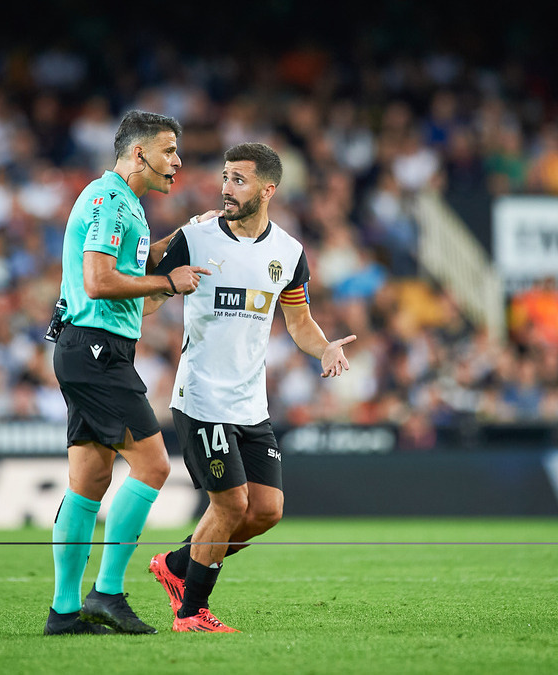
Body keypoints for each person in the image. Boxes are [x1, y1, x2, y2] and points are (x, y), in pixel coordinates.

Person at [147, 142, 356, 633]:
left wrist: (325, 347)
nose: (225, 188)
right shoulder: (195, 238)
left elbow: (300, 321)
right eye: (224, 177)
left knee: (266, 510)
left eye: (238, 180)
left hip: (250, 404)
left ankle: (177, 566)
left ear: (268, 189)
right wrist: (163, 283)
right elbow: (148, 297)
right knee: (231, 504)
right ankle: (190, 611)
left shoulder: (289, 252)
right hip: (201, 397)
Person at [43, 110, 213, 636]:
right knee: (155, 465)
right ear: (139, 153)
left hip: (90, 349)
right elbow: (98, 281)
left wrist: (179, 241)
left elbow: (131, 276)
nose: (177, 161)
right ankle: (108, 593)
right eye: (168, 150)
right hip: (95, 351)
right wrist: (168, 278)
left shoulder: (127, 207)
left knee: (89, 480)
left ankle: (64, 612)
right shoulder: (109, 200)